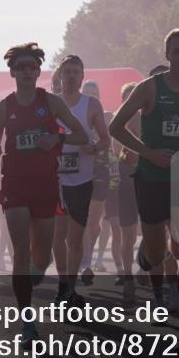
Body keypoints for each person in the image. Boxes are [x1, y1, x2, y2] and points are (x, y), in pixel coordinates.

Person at [109, 29, 179, 332]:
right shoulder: (149, 88)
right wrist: (148, 152)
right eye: (177, 52)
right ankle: (149, 252)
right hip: (152, 178)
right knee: (158, 253)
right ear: (167, 55)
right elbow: (115, 127)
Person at [0, 42, 88, 348]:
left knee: (41, 258)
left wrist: (55, 138)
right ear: (13, 72)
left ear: (38, 71)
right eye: (22, 67)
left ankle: (35, 273)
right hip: (15, 183)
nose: (28, 71)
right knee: (21, 251)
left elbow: (81, 135)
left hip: (45, 183)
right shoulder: (4, 107)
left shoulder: (52, 103)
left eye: (33, 66)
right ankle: (27, 321)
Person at [53, 55, 110, 303]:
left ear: (82, 76)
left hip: (82, 180)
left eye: (76, 72)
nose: (72, 76)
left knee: (74, 238)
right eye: (67, 72)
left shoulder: (92, 104)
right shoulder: (51, 103)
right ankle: (63, 282)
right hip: (54, 180)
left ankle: (70, 289)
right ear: (60, 76)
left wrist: (95, 148)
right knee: (58, 236)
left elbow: (106, 140)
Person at [80, 79, 114, 285]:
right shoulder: (76, 115)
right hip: (80, 172)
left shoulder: (107, 116)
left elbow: (112, 143)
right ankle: (85, 262)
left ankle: (90, 258)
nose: (91, 95)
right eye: (88, 91)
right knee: (83, 221)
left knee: (93, 224)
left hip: (101, 172)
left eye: (95, 91)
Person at [113, 81, 142, 304]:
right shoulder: (118, 121)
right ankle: (127, 274)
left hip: (149, 180)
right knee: (128, 235)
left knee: (156, 231)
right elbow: (117, 153)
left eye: (134, 95)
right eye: (127, 96)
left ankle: (146, 267)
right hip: (126, 182)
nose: (131, 100)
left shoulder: (148, 118)